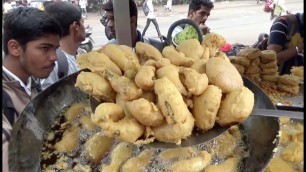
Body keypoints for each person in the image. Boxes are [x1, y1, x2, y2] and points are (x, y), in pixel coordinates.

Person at [2, 7, 62, 172]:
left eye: (55, 49)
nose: (54, 57)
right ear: (15, 48)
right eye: (45, 48)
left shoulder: (32, 83)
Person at [40, 1, 86, 90]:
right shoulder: (54, 63)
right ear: (75, 25)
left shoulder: (82, 54)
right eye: (82, 22)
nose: (84, 27)